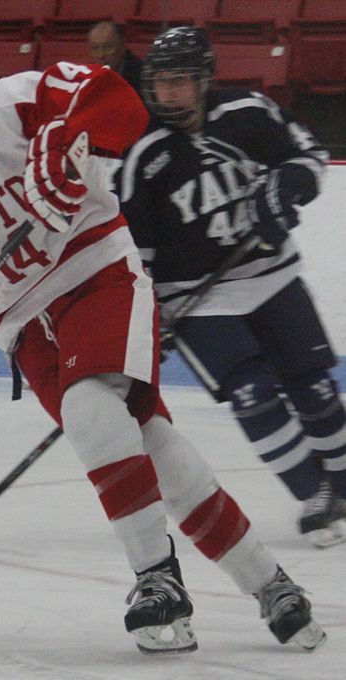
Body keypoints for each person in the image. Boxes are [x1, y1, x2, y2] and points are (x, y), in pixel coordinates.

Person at [0, 10, 325, 654]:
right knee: (152, 443)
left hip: (95, 273)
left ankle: (156, 579)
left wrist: (64, 146)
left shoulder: (14, 101)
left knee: (91, 408)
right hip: (20, 321)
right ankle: (270, 583)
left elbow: (110, 97)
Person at [117, 25, 346, 549]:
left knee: (314, 389)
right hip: (196, 302)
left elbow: (307, 156)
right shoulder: (143, 155)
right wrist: (145, 317)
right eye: (161, 83)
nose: (169, 93)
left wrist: (283, 190)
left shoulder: (248, 112)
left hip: (271, 275)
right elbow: (135, 255)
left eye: (180, 82)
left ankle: (345, 485)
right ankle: (315, 495)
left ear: (204, 80)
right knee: (254, 395)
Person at [87, 21, 143, 95]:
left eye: (108, 47)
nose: (101, 55)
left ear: (122, 46)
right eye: (95, 48)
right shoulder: (88, 77)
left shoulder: (142, 76)